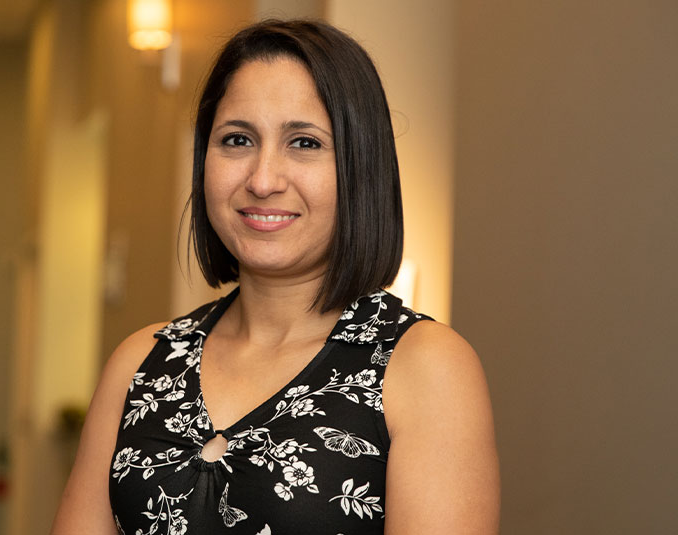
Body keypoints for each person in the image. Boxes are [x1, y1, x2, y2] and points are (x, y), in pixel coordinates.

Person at [51, 19, 499, 535]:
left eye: (305, 143)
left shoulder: (425, 368)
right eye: (237, 139)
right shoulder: (139, 364)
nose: (262, 180)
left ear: (361, 166)